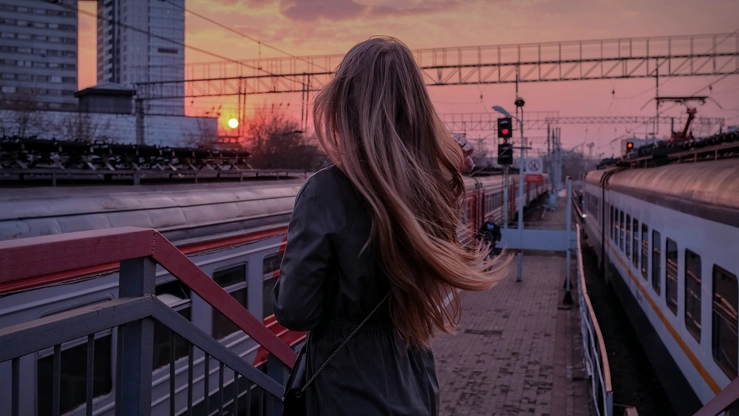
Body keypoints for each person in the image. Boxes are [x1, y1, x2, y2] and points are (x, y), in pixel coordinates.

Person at [272, 36, 510, 416]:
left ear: (344, 104)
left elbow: (295, 311)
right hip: (413, 374)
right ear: (415, 106)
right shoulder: (433, 187)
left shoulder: (325, 192)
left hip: (345, 386)